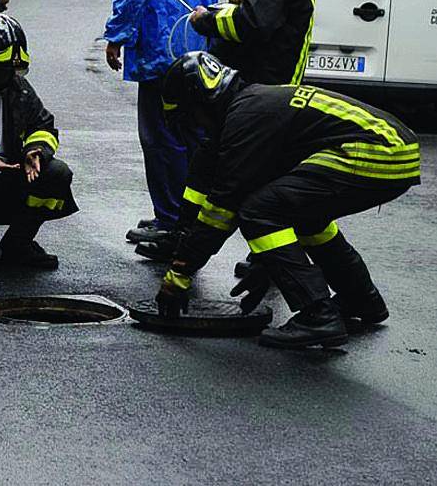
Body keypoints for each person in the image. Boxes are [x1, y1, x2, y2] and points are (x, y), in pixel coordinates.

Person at [153, 51, 420, 349]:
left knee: (256, 212)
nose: (199, 127)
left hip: (378, 151)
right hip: (398, 148)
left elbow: (221, 210)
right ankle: (361, 299)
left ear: (203, 99)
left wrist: (179, 275)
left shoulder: (245, 119)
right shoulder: (253, 103)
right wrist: (267, 263)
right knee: (307, 219)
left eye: (194, 118)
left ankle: (318, 315)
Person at [137, 0, 318, 264]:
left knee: (243, 180)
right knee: (208, 163)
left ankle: (264, 259)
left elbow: (251, 22)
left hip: (263, 98)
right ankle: (184, 236)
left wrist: (209, 20)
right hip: (255, 92)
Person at [103, 0, 241, 246]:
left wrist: (117, 35)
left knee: (160, 138)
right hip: (206, 50)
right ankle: (191, 219)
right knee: (196, 138)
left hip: (160, 51)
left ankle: (170, 222)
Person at [0, 14, 77, 270]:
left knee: (57, 173)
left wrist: (34, 151)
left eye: (11, 70)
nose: (6, 77)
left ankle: (19, 244)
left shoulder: (19, 88)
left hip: (10, 179)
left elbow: (43, 125)